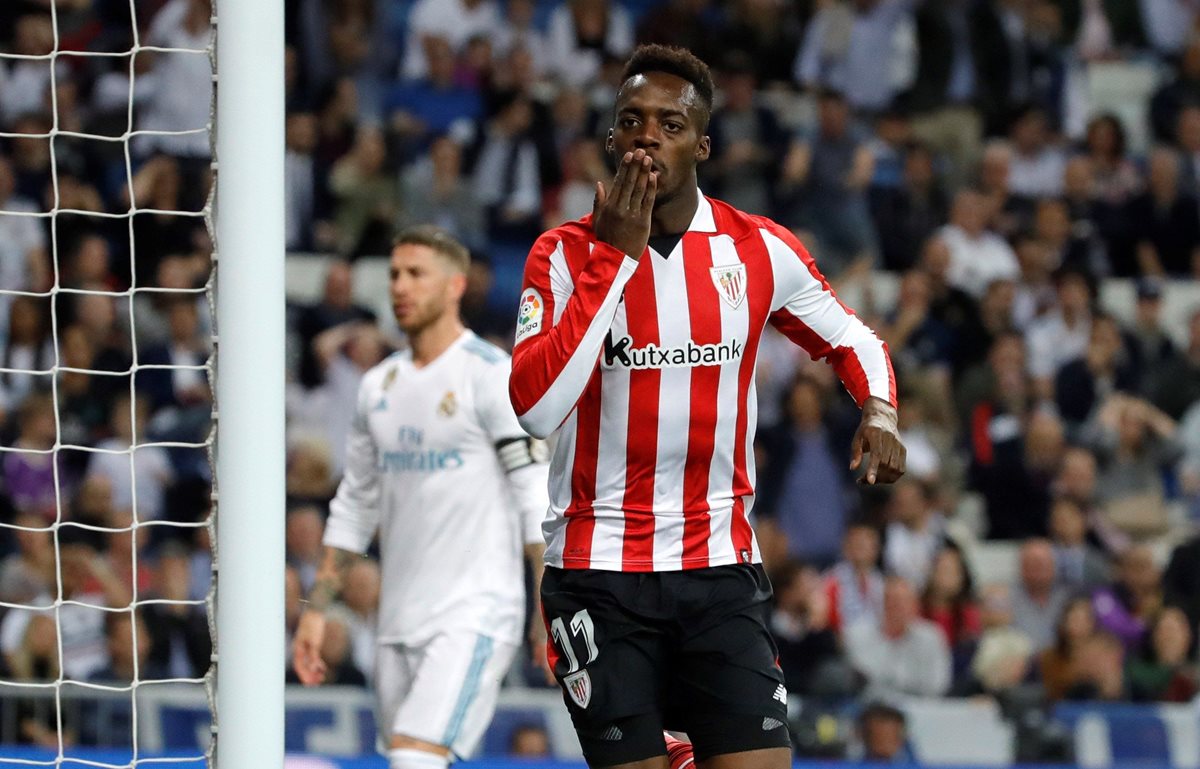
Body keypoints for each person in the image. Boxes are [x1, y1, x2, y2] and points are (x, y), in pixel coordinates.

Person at [509, 45, 906, 769]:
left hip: (719, 566)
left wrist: (879, 409)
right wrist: (614, 260)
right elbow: (536, 408)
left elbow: (853, 337)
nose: (647, 135)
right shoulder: (563, 257)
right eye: (631, 120)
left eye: (669, 122)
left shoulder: (757, 249)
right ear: (610, 140)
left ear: (703, 143)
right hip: (598, 573)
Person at [292, 226, 551, 769]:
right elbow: (354, 506)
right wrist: (317, 611)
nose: (400, 287)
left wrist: (548, 605)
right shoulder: (377, 386)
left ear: (456, 285)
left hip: (474, 610)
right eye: (393, 275)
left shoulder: (490, 375)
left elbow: (534, 495)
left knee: (415, 757)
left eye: (416, 274)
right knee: (411, 758)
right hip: (397, 616)